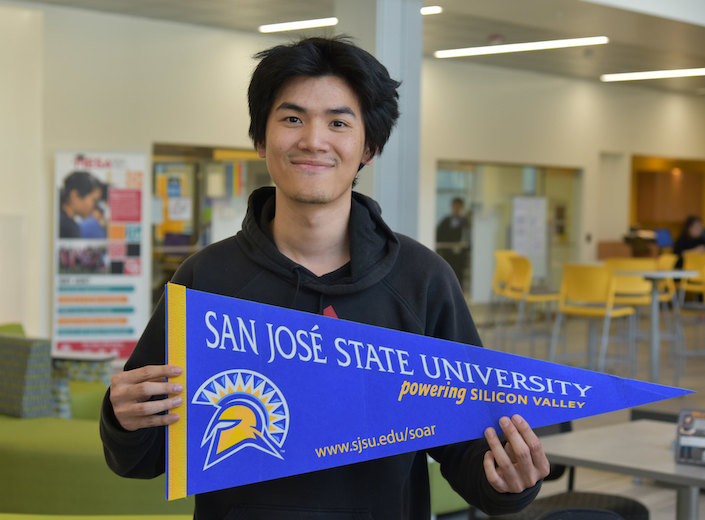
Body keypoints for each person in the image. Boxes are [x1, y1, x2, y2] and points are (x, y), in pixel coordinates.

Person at [100, 37, 549, 519]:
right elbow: (145, 458)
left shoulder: (423, 281)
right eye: (292, 118)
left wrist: (508, 481)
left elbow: (465, 451)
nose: (313, 140)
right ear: (260, 139)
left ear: (368, 147)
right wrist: (122, 420)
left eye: (338, 122)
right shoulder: (207, 278)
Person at [436, 197, 470, 285]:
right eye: (455, 206)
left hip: (461, 254)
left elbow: (467, 236)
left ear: (462, 207)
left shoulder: (466, 221)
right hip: (448, 253)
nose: (456, 208)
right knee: (448, 274)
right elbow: (438, 234)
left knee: (459, 275)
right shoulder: (446, 220)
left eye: (459, 206)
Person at [59, 171, 103, 238]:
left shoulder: (59, 219)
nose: (95, 206)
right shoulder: (69, 228)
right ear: (74, 196)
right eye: (94, 200)